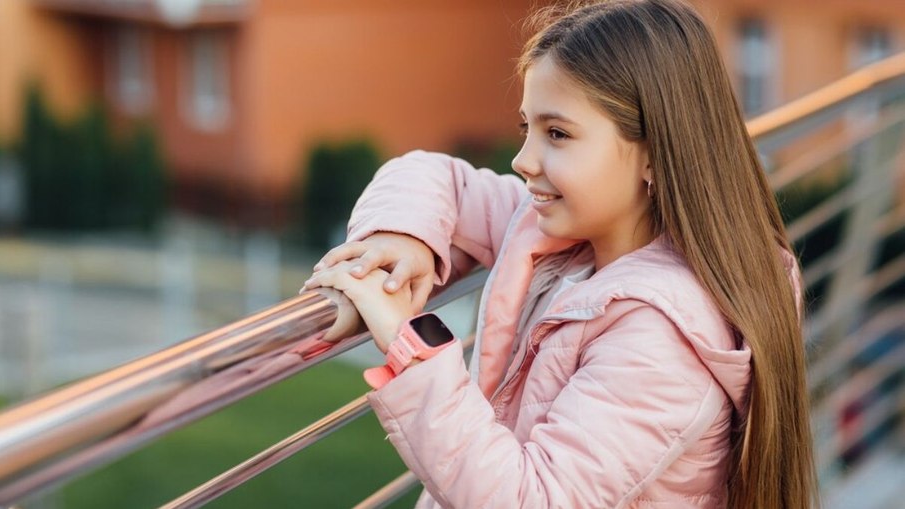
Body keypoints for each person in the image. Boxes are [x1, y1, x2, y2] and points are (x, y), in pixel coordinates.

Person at [303, 0, 817, 507]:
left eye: (557, 133)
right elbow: (431, 175)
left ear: (656, 153)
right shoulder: (561, 227)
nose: (523, 160)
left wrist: (406, 342)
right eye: (528, 128)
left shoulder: (662, 339)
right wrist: (402, 240)